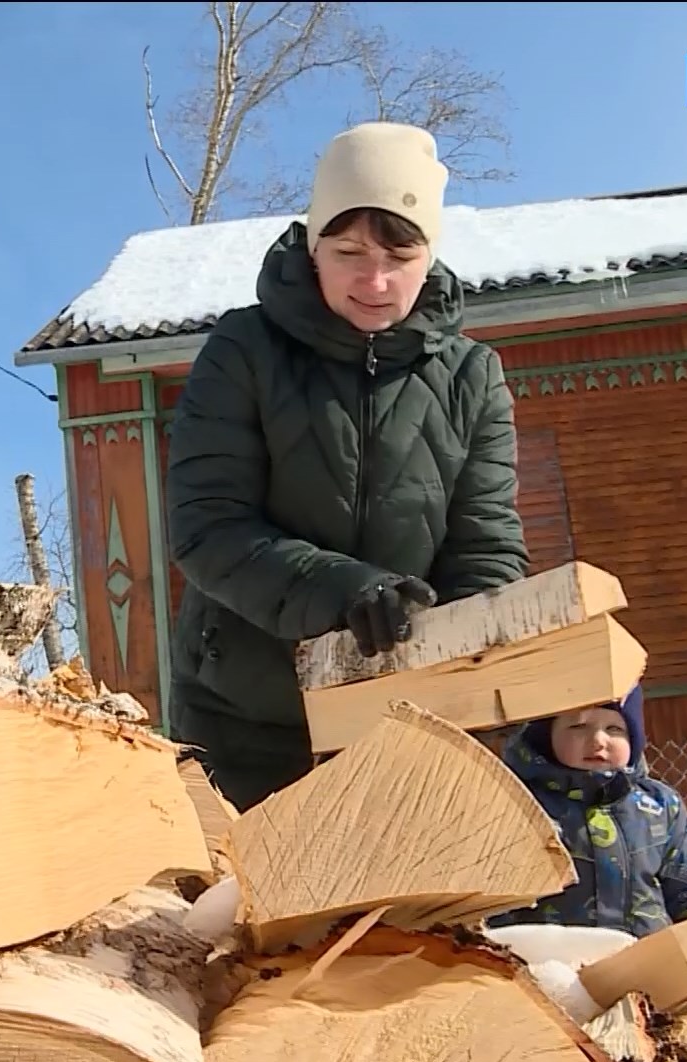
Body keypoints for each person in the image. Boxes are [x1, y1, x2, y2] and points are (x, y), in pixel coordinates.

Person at [164, 121, 530, 813]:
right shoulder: (244, 348)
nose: (375, 279)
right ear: (312, 247)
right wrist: (343, 592)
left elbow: (485, 546)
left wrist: (483, 666)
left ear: (430, 255)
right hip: (247, 725)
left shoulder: (471, 376)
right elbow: (207, 526)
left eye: (401, 252)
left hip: (406, 725)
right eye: (349, 250)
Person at [489, 684, 687, 938]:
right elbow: (490, 896)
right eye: (578, 727)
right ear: (546, 736)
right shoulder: (516, 804)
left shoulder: (658, 805)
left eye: (614, 729)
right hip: (549, 963)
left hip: (647, 958)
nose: (598, 741)